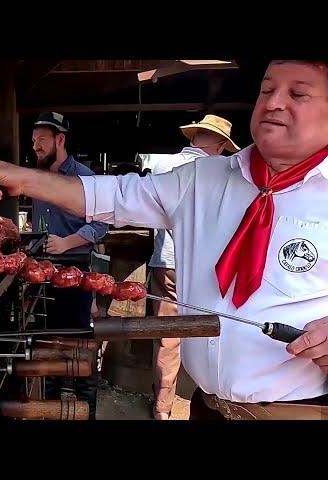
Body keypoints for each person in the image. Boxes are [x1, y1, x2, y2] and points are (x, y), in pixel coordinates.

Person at [0, 60, 328, 420]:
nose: (273, 103)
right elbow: (111, 195)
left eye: (297, 93)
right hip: (209, 409)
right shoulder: (202, 179)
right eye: (267, 90)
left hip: (300, 410)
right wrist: (22, 179)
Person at [147, 115, 240, 420]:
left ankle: (163, 406)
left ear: (193, 138)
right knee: (218, 329)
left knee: (167, 337)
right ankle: (218, 398)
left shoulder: (162, 166)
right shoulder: (219, 173)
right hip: (204, 267)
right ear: (220, 145)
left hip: (166, 262)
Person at [30, 112, 109, 419]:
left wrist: (67, 242)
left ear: (60, 140)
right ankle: (51, 412)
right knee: (49, 348)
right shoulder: (35, 179)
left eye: (42, 140)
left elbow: (101, 224)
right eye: (34, 140)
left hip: (77, 275)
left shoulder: (84, 178)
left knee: (80, 349)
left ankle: (85, 413)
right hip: (43, 278)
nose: (36, 146)